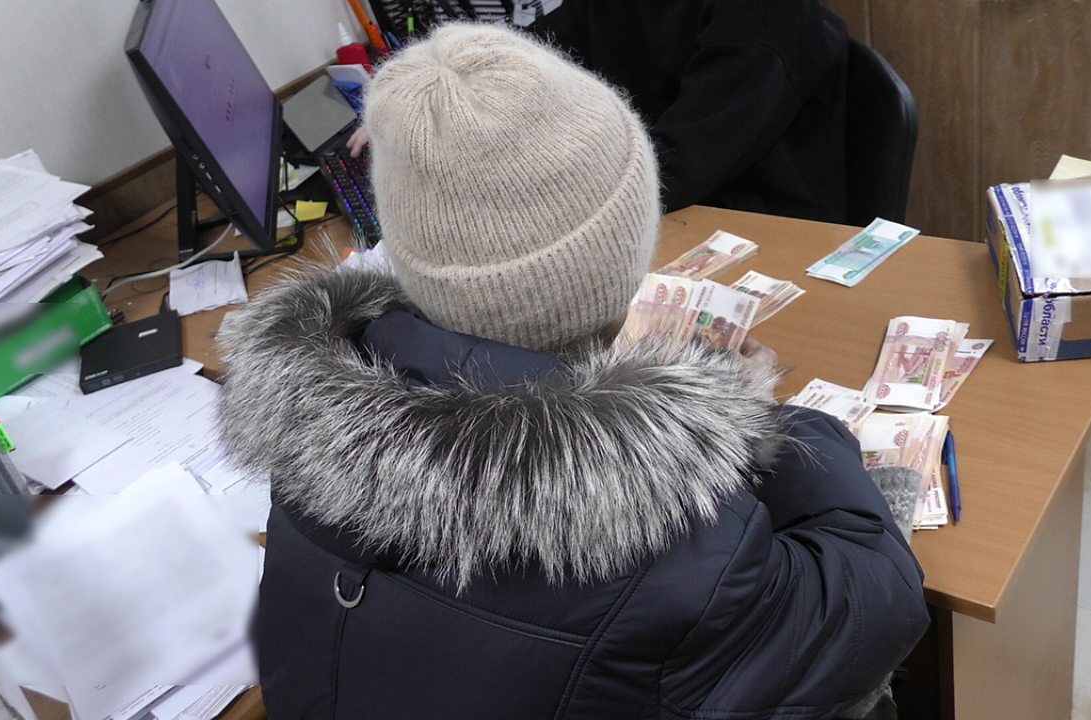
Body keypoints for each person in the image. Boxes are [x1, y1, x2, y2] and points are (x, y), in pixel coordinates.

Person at [222, 23, 926, 720]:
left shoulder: (306, 428)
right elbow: (879, 601)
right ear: (621, 259)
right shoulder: (680, 545)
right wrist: (754, 421)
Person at [538, 0, 850, 222]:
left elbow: (688, 162)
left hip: (755, 224)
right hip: (647, 199)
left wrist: (552, 196)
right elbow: (546, 72)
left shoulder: (764, 13)